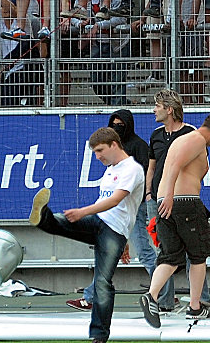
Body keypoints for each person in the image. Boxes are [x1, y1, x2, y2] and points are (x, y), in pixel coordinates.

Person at [29, 126, 144, 343]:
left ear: (114, 145)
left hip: (113, 231)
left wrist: (83, 212)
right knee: (56, 222)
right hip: (101, 223)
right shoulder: (110, 168)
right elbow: (122, 208)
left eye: (100, 151)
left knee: (102, 282)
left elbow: (116, 201)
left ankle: (99, 336)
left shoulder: (133, 169)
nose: (97, 156)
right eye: (94, 153)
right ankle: (42, 215)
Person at [140, 112, 210, 327]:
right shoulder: (197, 140)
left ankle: (151, 296)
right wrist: (170, 195)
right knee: (199, 255)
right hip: (183, 202)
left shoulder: (184, 138)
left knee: (171, 256)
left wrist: (166, 197)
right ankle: (195, 306)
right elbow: (174, 167)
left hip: (165, 203)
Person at [67, 110, 153, 312]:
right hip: (119, 211)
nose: (117, 127)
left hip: (133, 206)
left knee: (144, 252)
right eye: (113, 124)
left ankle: (164, 293)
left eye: (120, 124)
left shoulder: (138, 147)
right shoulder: (113, 157)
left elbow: (139, 179)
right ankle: (91, 295)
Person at [144, 89, 203, 311]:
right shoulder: (156, 135)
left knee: (195, 251)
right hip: (158, 199)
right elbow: (152, 166)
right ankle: (163, 301)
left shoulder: (190, 133)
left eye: (157, 106)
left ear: (169, 109)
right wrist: (150, 192)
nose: (154, 110)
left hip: (182, 200)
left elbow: (201, 166)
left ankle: (199, 299)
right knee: (165, 250)